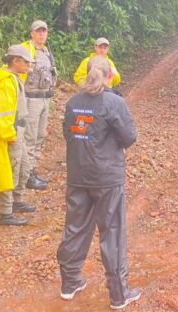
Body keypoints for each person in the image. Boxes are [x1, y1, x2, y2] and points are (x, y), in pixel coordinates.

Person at [57, 56, 141, 309]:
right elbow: (129, 138)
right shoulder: (114, 102)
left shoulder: (73, 102)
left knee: (75, 228)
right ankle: (118, 294)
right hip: (106, 178)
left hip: (78, 175)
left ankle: (69, 283)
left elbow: (67, 134)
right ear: (108, 77)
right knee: (112, 232)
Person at [0, 45, 37, 226]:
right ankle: (6, 212)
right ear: (15, 61)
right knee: (9, 171)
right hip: (10, 134)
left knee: (23, 168)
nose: (29, 65)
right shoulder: (4, 82)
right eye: (26, 62)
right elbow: (0, 113)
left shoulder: (13, 78)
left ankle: (17, 201)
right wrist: (9, 135)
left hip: (17, 131)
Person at [20, 20, 57, 190]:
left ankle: (30, 170)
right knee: (30, 136)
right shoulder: (25, 50)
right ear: (32, 33)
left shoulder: (46, 51)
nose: (41, 34)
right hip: (31, 99)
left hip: (44, 98)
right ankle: (26, 175)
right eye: (38, 31)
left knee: (40, 135)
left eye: (44, 31)